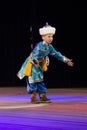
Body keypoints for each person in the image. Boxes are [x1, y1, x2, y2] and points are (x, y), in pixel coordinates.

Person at [17, 22, 74, 104]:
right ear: (43, 37)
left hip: (39, 64)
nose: (51, 38)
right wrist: (35, 62)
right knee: (32, 80)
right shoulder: (39, 45)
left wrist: (66, 60)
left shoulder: (50, 47)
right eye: (49, 36)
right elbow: (35, 54)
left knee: (40, 80)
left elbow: (57, 54)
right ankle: (33, 97)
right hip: (32, 64)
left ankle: (42, 96)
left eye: (52, 36)